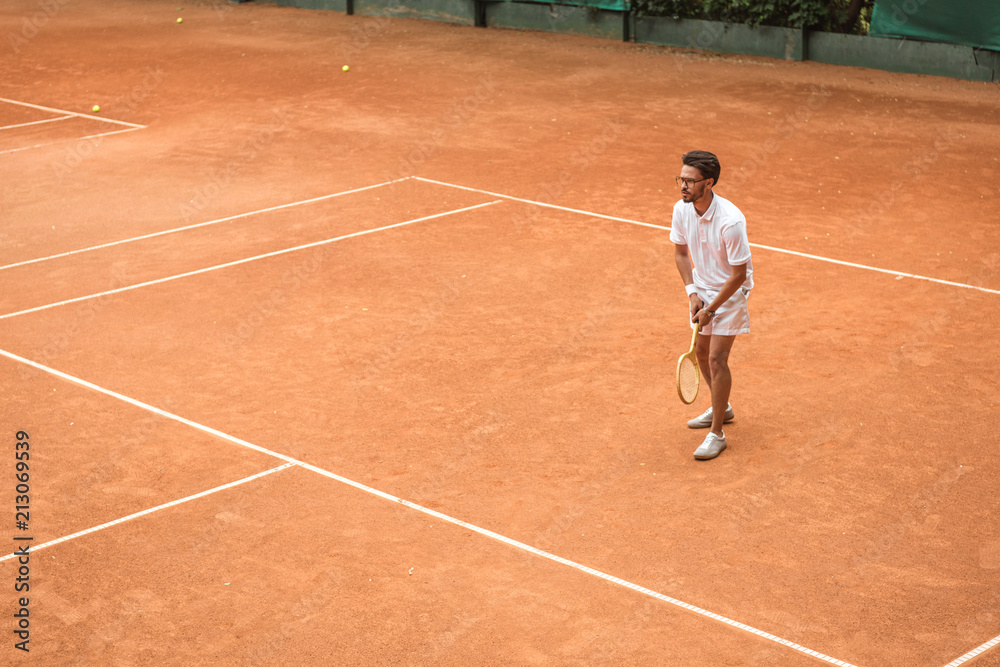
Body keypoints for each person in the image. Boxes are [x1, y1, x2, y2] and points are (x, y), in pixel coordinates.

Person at [670, 150, 754, 460]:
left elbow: (738, 275)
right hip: (703, 288)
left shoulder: (730, 221)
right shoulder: (681, 210)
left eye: (690, 181)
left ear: (709, 183)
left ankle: (717, 433)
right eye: (681, 179)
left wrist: (711, 309)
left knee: (717, 358)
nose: (683, 186)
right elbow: (680, 253)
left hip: (730, 292)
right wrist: (692, 293)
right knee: (701, 353)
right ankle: (723, 406)